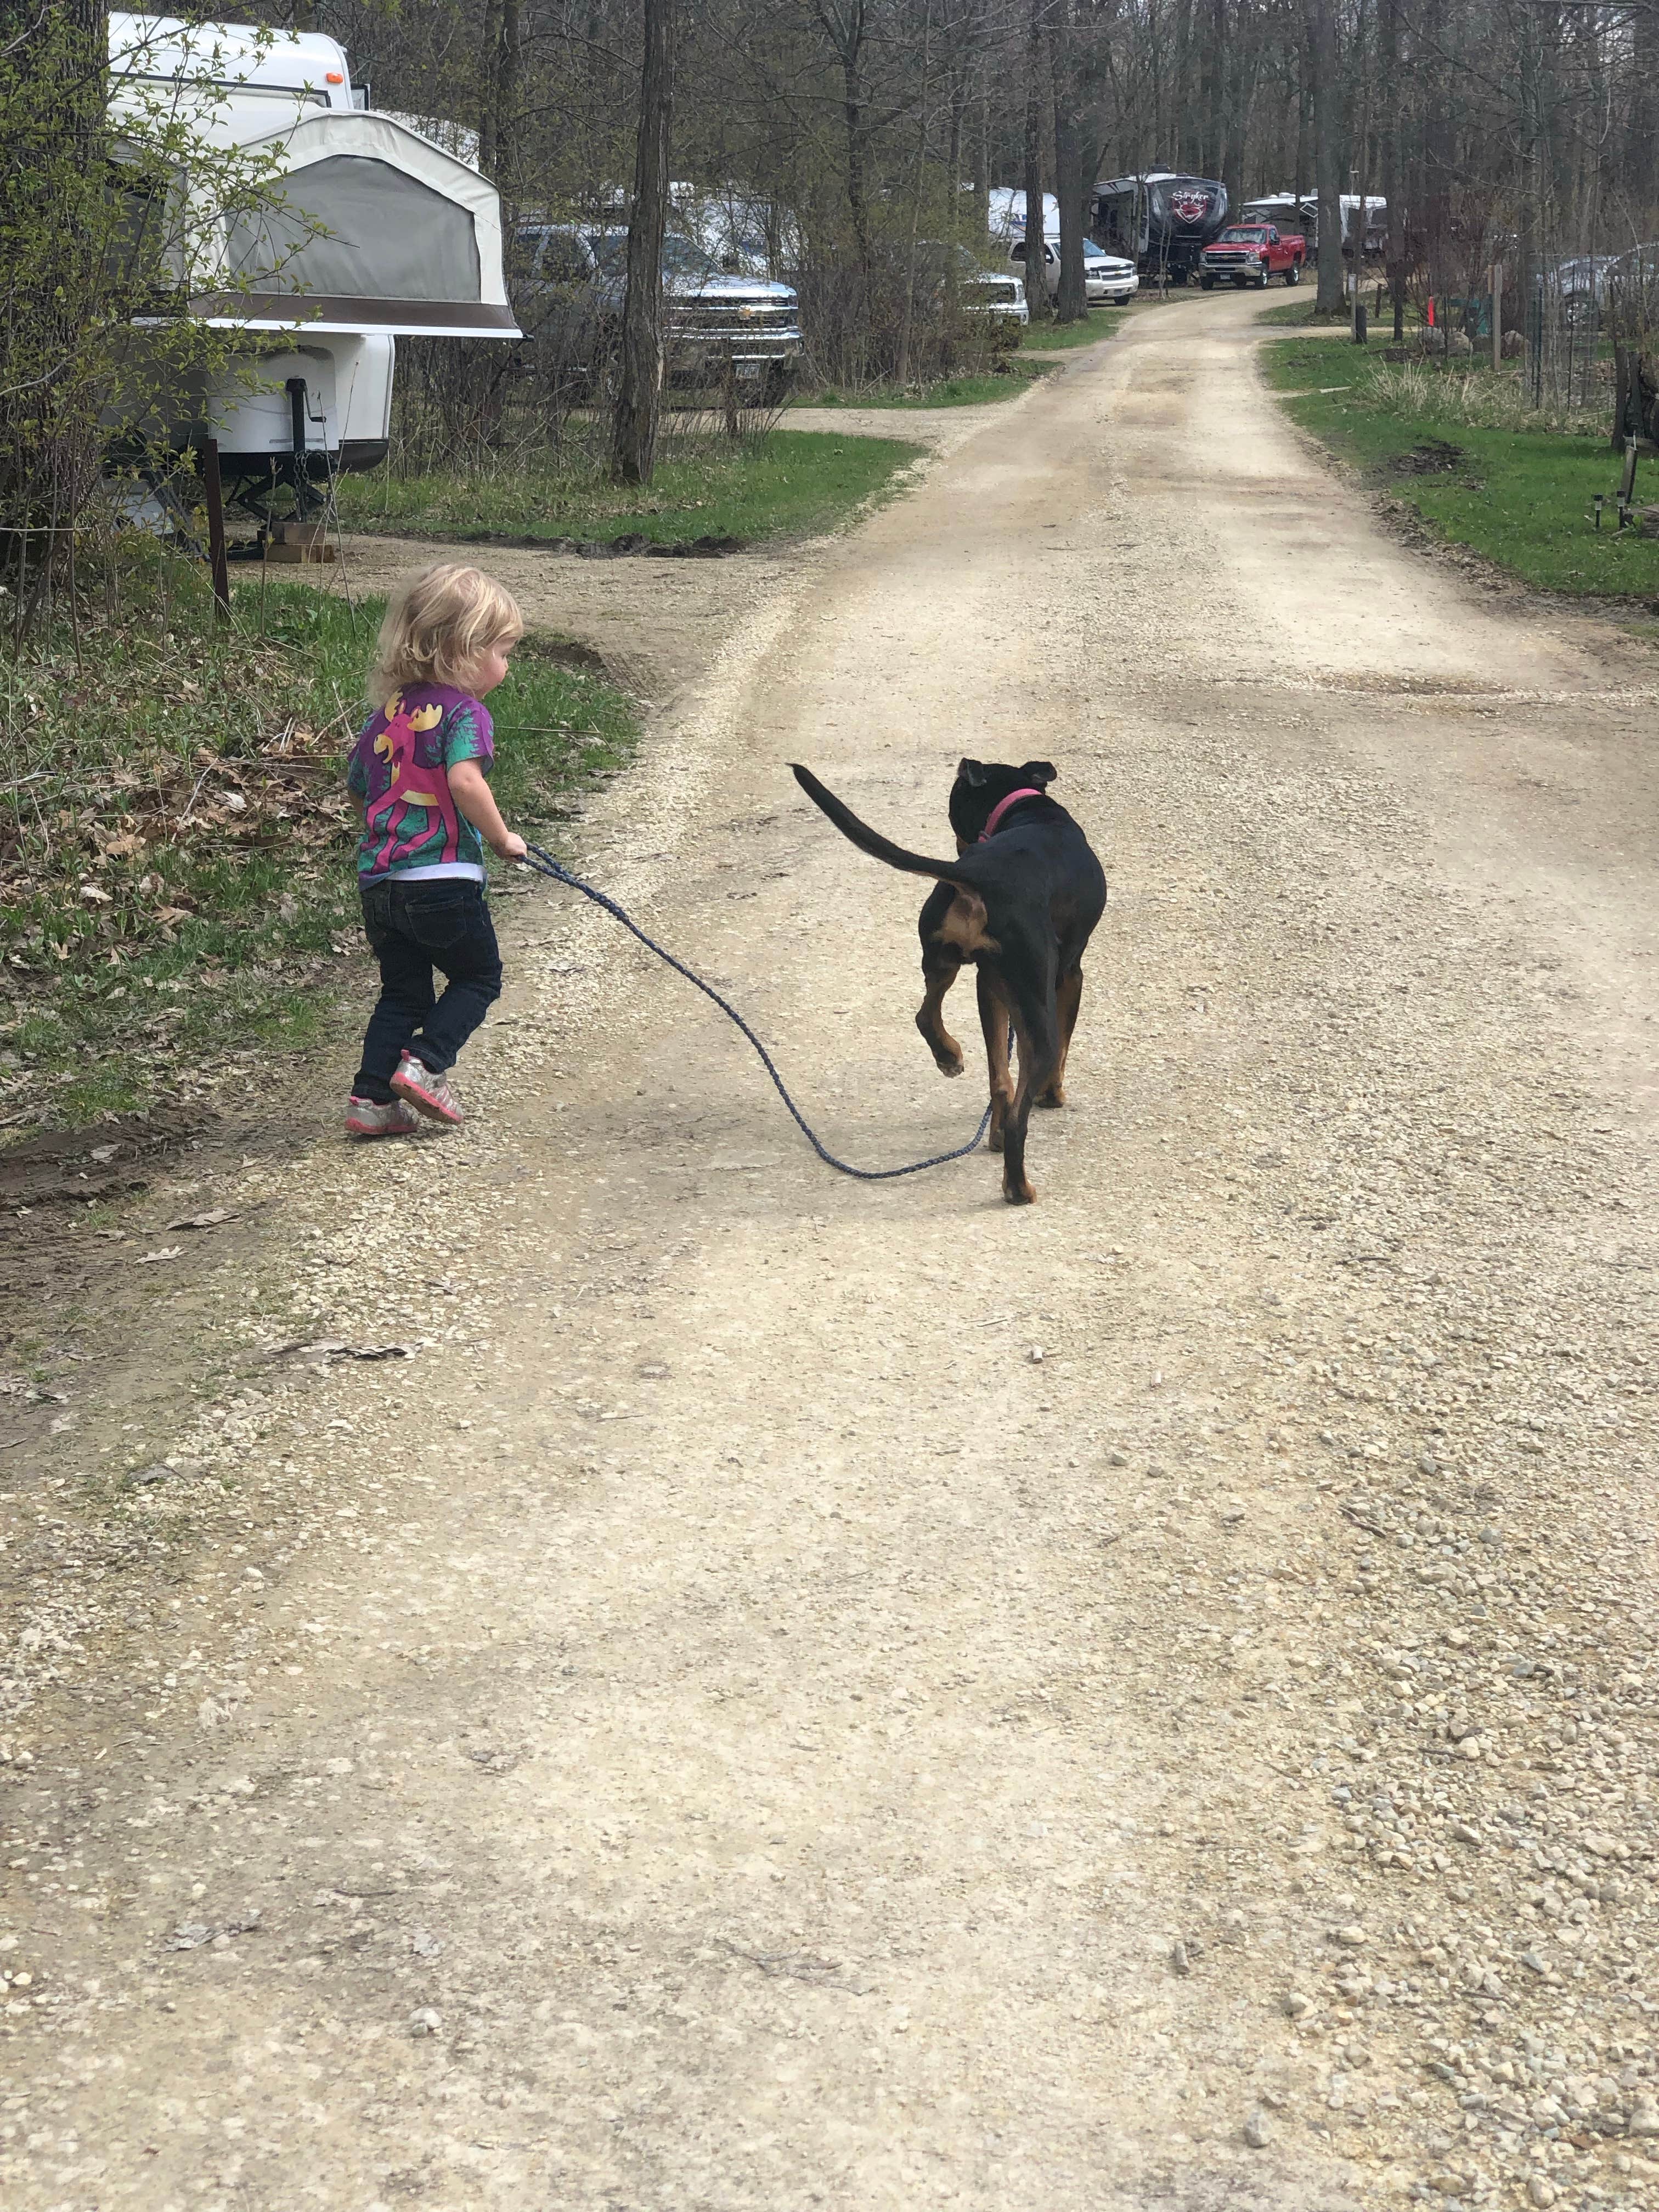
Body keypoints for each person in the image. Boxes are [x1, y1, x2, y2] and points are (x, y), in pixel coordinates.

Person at [343, 562, 527, 1138]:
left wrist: (387, 840)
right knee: (479, 978)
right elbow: (466, 783)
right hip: (442, 880)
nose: (506, 664)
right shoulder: (466, 713)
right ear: (463, 650)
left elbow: (358, 784)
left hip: (380, 885)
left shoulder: (386, 716)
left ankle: (372, 1101)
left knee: (403, 990)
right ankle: (426, 1063)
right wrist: (502, 840)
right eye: (503, 649)